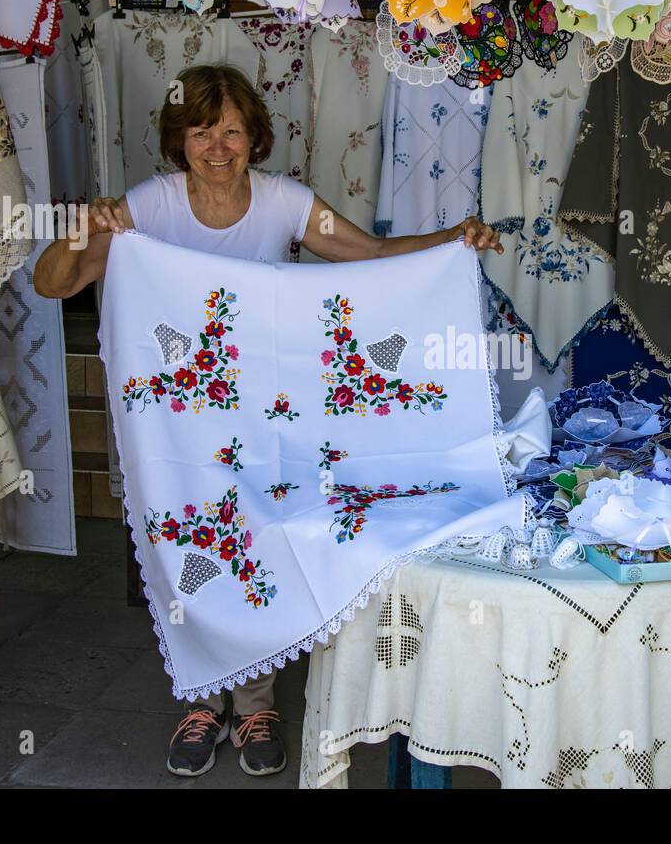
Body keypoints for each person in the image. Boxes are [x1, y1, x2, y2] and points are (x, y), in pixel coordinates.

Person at [34, 63, 502, 778]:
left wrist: (450, 243)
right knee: (189, 534)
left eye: (231, 129)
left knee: (260, 537)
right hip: (180, 422)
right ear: (178, 139)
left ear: (254, 136)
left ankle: (255, 703)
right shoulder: (150, 206)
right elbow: (54, 284)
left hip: (267, 416)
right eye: (200, 130)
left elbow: (368, 257)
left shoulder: (284, 203)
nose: (216, 145)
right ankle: (202, 698)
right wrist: (80, 230)